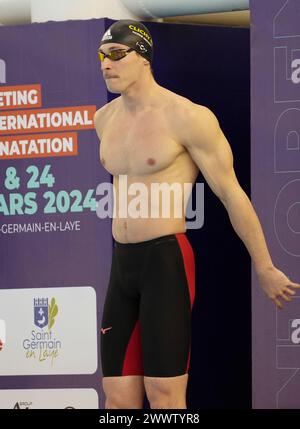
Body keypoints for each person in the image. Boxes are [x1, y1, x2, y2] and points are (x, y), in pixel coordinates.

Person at [94, 19, 300, 410]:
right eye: (102, 56)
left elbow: (231, 194)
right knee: (117, 399)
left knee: (165, 396)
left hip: (164, 261)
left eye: (117, 54)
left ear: (145, 60)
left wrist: (265, 266)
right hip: (121, 267)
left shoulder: (187, 117)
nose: (107, 64)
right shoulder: (104, 120)